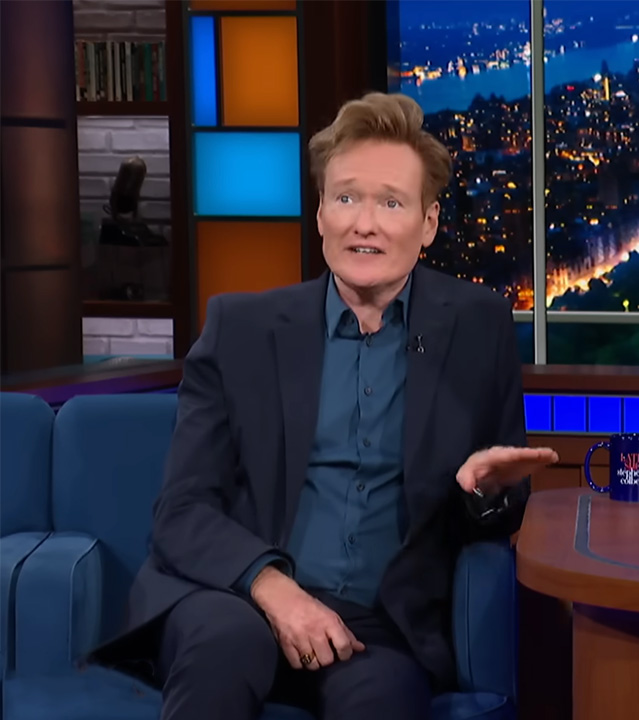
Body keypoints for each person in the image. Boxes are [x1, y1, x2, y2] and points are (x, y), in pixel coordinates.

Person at [93, 92, 557, 720]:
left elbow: (498, 510)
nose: (364, 224)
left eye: (390, 203)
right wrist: (273, 588)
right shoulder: (242, 329)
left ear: (427, 223)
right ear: (319, 214)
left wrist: (483, 493)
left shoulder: (478, 327)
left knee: (385, 700)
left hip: (379, 623)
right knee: (224, 649)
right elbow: (181, 511)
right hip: (236, 598)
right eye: (345, 198)